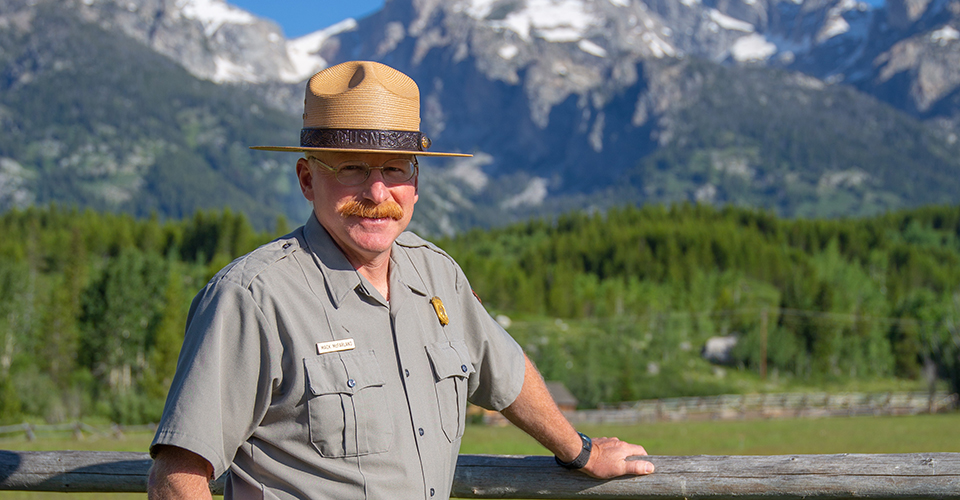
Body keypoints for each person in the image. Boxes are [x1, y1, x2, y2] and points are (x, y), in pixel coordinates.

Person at [147, 60, 654, 500]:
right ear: (306, 179)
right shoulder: (252, 297)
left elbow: (505, 372)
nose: (376, 190)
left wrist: (580, 451)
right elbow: (178, 474)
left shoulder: (438, 274)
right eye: (350, 169)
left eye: (393, 168)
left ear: (416, 181)